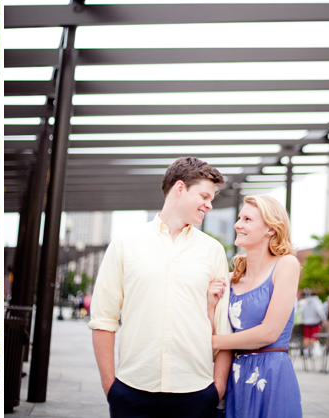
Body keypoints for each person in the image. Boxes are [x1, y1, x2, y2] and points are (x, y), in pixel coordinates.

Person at [90, 156, 233, 418]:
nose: (209, 205)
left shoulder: (213, 250)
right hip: (131, 391)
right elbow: (103, 318)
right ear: (180, 188)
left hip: (197, 392)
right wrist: (110, 386)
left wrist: (218, 387)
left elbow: (224, 326)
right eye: (204, 196)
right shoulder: (126, 243)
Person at [207, 195, 302, 418]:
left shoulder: (286, 264)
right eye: (239, 217)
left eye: (247, 219)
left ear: (270, 229)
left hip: (271, 376)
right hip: (234, 377)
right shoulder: (230, 279)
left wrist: (211, 341)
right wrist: (211, 307)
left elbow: (269, 332)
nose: (237, 224)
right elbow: (215, 331)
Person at [300, 288, 327, 356]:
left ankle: (306, 351)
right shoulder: (317, 301)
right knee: (314, 337)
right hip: (315, 322)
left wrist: (305, 318)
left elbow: (302, 311)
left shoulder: (306, 301)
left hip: (306, 322)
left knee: (306, 337)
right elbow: (320, 311)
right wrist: (323, 320)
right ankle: (312, 352)